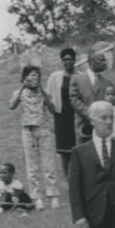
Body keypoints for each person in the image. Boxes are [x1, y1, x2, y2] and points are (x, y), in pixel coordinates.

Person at [9, 65, 59, 210]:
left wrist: (42, 90)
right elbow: (11, 105)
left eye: (37, 75)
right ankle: (37, 198)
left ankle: (53, 196)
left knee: (48, 163)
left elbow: (52, 109)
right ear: (25, 78)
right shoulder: (20, 93)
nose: (34, 78)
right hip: (27, 130)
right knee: (32, 166)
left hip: (42, 129)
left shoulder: (44, 92)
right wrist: (22, 87)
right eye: (31, 75)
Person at [69, 41, 115, 144]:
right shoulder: (77, 79)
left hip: (102, 129)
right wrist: (89, 114)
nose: (105, 62)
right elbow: (74, 100)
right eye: (102, 60)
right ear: (92, 62)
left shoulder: (107, 82)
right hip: (84, 128)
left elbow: (113, 100)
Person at [46, 47, 78, 178]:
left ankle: (76, 178)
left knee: (76, 149)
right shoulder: (55, 76)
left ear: (75, 60)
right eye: (65, 60)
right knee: (64, 152)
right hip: (61, 116)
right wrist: (52, 109)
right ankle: (67, 179)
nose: (68, 62)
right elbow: (48, 94)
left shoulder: (80, 76)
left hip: (76, 116)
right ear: (62, 61)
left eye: (71, 59)